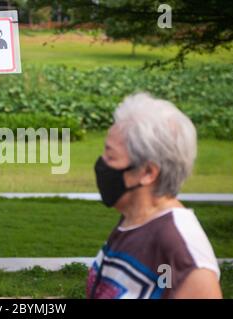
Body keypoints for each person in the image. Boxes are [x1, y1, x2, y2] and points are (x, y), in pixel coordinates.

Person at [87, 93, 222, 299]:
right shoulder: (134, 219)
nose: (101, 163)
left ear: (148, 173)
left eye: (111, 156)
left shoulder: (182, 253)